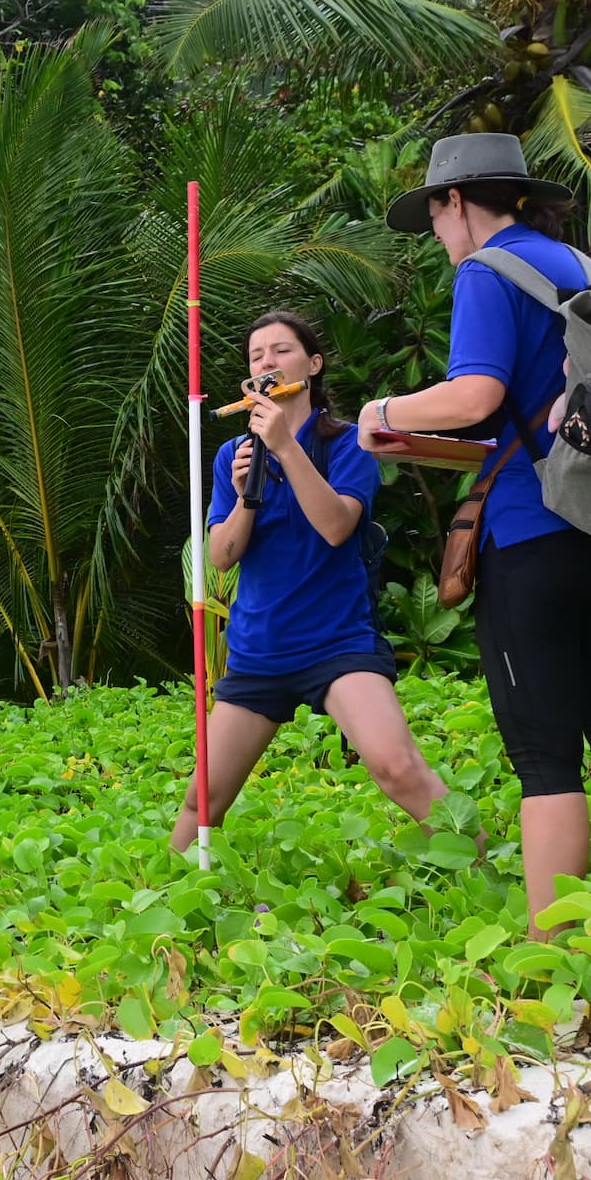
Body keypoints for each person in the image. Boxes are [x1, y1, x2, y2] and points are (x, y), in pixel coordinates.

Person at [356, 133, 591, 929]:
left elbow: (475, 395)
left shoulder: (487, 271)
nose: (438, 237)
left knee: (545, 756)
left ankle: (558, 960)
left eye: (434, 218)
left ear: (457, 204)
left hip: (536, 536)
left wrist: (382, 414)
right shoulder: (586, 269)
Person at [172, 310, 449, 852]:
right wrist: (246, 492)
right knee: (202, 800)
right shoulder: (235, 455)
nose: (267, 364)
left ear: (313, 364)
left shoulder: (349, 444)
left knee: (397, 769)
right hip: (259, 650)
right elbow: (222, 557)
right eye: (256, 357)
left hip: (337, 641)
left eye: (281, 351)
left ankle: (484, 866)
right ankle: (160, 900)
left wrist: (285, 447)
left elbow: (337, 526)